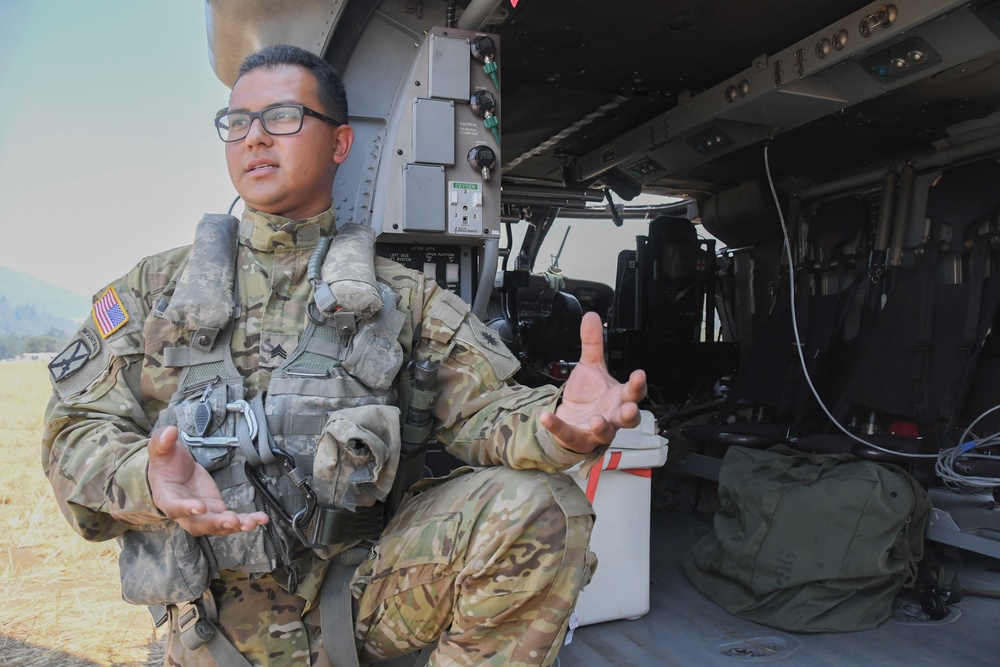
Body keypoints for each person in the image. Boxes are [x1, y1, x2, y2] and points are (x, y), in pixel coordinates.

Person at [42, 44, 647, 667]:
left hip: (360, 598)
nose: (254, 139)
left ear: (340, 143)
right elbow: (72, 432)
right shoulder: (153, 292)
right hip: (212, 625)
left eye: (281, 117)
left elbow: (488, 413)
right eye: (236, 122)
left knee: (543, 508)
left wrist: (563, 427)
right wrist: (145, 476)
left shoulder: (404, 300)